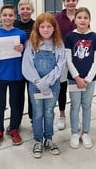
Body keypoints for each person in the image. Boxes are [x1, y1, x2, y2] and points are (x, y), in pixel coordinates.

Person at [22, 12, 66, 159]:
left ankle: (49, 138)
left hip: (53, 86)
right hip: (35, 85)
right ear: (37, 28)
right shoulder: (31, 44)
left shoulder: (59, 45)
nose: (46, 29)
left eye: (49, 26)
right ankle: (38, 140)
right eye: (42, 26)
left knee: (48, 112)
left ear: (54, 28)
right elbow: (27, 66)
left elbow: (60, 66)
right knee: (38, 113)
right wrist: (38, 82)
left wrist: (46, 82)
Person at [0, 4, 27, 148]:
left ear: (15, 17)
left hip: (17, 75)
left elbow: (27, 55)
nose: (7, 18)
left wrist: (23, 50)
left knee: (15, 104)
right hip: (1, 76)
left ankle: (14, 129)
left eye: (10, 15)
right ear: (0, 17)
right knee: (1, 104)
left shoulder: (21, 34)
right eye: (5, 15)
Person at [64, 7, 96, 149]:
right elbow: (68, 59)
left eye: (85, 18)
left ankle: (85, 132)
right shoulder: (69, 37)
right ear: (75, 20)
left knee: (86, 106)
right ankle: (74, 132)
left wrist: (87, 78)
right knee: (75, 106)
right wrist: (77, 77)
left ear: (89, 20)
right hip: (74, 79)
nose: (82, 20)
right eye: (80, 17)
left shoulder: (95, 37)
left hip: (89, 81)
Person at [55, 0, 78, 130]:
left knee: (76, 88)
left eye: (73, 0)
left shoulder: (81, 16)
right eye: (68, 0)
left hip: (78, 59)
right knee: (62, 88)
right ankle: (62, 115)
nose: (70, 2)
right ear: (64, 2)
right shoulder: (57, 18)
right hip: (62, 59)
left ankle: (75, 116)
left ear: (77, 1)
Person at [13, 0, 35, 127]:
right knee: (18, 97)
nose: (25, 11)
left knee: (32, 95)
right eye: (22, 9)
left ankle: (34, 120)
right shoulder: (14, 24)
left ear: (32, 10)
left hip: (32, 66)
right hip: (17, 66)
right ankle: (16, 122)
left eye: (28, 8)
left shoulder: (36, 25)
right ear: (18, 11)